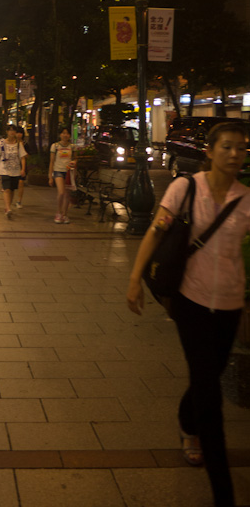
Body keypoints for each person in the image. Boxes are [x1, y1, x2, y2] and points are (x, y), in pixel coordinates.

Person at [126, 122, 250, 507]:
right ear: (209, 151)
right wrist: (134, 279)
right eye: (227, 147)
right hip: (190, 301)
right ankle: (223, 492)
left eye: (241, 148)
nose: (234, 154)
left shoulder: (246, 199)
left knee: (208, 376)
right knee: (209, 391)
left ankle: (186, 419)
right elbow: (156, 232)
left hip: (231, 304)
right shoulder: (185, 188)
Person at [0, 124, 27, 218]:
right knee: (6, 189)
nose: (12, 132)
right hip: (4, 170)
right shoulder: (2, 143)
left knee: (11, 190)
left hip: (16, 171)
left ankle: (8, 207)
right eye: (10, 130)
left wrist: (23, 169)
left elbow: (22, 157)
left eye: (13, 130)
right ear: (7, 132)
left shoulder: (19, 144)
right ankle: (8, 207)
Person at [48, 127, 74, 223]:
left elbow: (75, 159)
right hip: (58, 171)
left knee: (67, 195)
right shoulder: (55, 146)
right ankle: (58, 212)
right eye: (63, 133)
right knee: (61, 192)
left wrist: (74, 163)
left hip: (69, 172)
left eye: (67, 133)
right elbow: (51, 161)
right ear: (60, 135)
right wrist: (50, 176)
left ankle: (65, 214)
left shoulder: (72, 147)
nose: (65, 135)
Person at [14, 126, 30, 208]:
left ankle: (19, 201)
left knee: (21, 183)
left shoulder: (25, 144)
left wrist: (22, 148)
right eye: (17, 133)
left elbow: (27, 156)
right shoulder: (11, 143)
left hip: (22, 166)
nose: (19, 135)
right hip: (12, 166)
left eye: (20, 133)